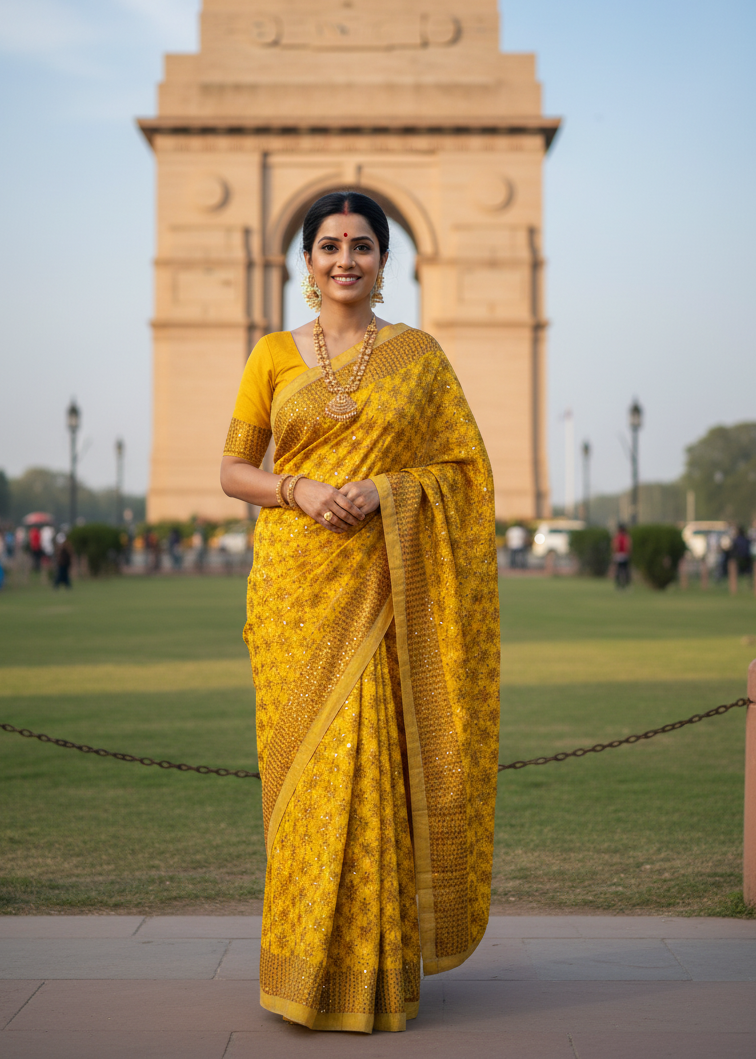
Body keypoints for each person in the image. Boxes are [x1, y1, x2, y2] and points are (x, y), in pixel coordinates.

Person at [221, 191, 500, 1034]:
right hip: (295, 589)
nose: (346, 259)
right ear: (305, 262)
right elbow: (235, 471)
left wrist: (386, 489)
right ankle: (301, 969)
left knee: (374, 762)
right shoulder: (272, 354)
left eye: (363, 246)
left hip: (388, 580)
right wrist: (298, 487)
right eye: (330, 245)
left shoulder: (419, 356)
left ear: (388, 260)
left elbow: (465, 472)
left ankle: (375, 977)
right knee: (307, 776)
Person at [612, 523, 631, 588]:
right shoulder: (626, 536)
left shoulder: (617, 536)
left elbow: (615, 546)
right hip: (624, 555)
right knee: (625, 570)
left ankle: (619, 584)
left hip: (618, 555)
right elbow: (628, 546)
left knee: (619, 570)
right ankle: (625, 584)